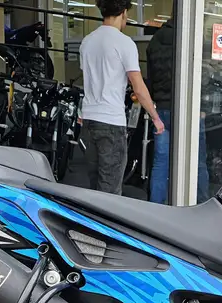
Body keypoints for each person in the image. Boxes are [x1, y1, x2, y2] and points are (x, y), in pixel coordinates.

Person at [80, 0, 163, 194]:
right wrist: (155, 117)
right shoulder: (124, 43)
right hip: (111, 123)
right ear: (124, 12)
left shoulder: (87, 42)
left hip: (89, 122)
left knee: (95, 188)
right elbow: (138, 87)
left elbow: (89, 80)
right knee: (110, 191)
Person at [145, 18, 209, 204]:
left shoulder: (155, 41)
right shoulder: (189, 38)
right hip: (188, 109)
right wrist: (202, 107)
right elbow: (199, 76)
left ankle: (156, 207)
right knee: (197, 161)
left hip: (162, 110)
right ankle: (202, 204)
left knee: (161, 163)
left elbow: (150, 79)